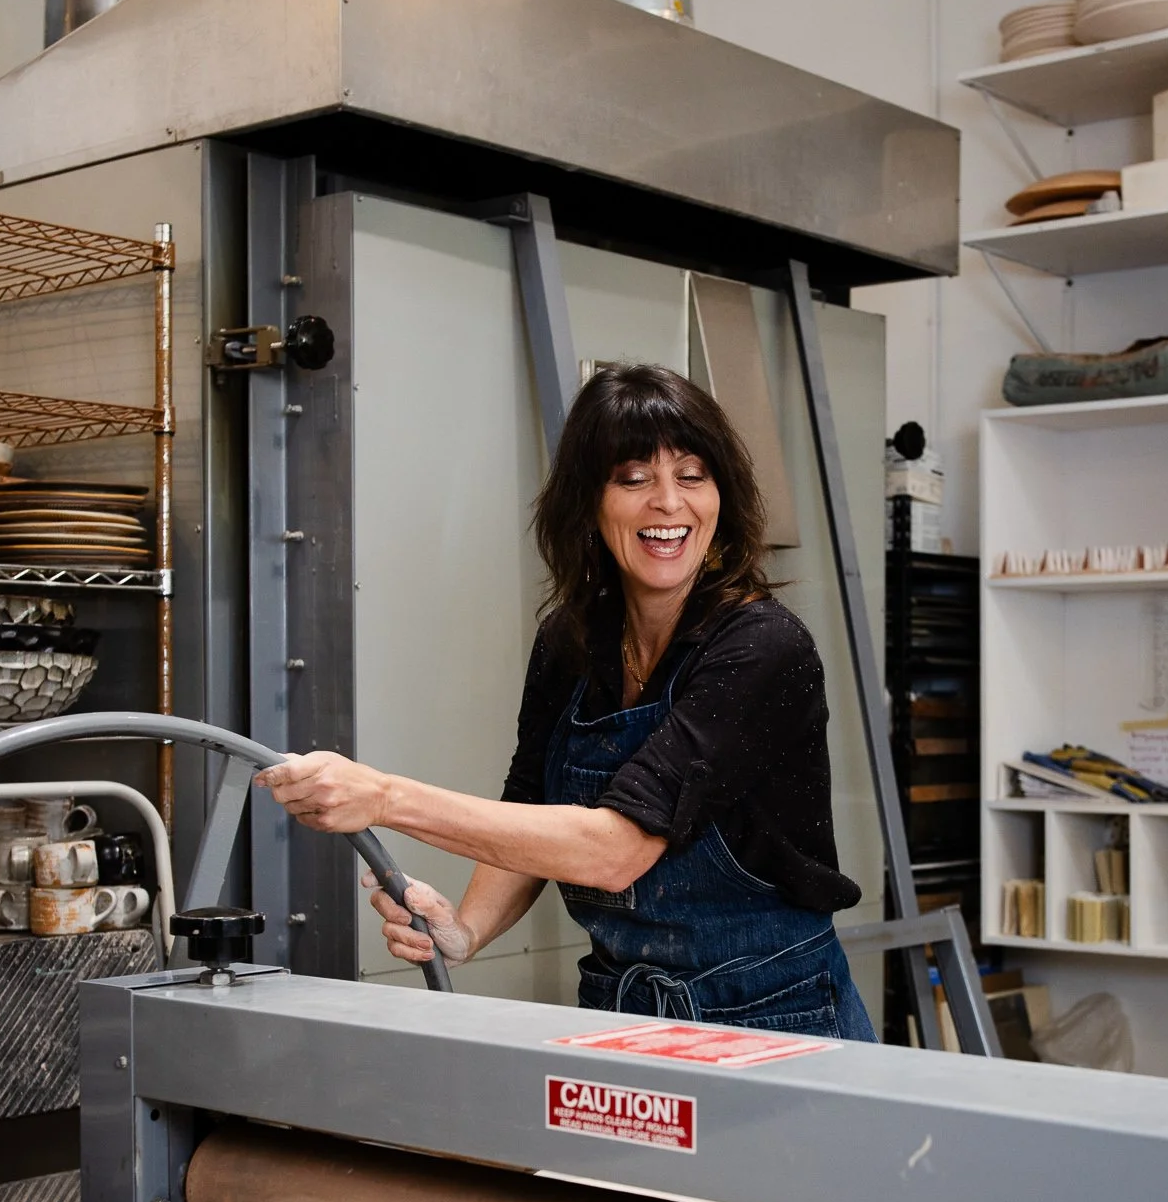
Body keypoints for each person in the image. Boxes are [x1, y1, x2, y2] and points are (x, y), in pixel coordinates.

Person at [258, 363, 876, 1042]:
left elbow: (614, 852)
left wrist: (382, 798)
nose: (668, 503)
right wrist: (465, 931)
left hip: (773, 1018)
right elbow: (530, 807)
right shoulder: (572, 639)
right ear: (590, 502)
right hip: (624, 1014)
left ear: (721, 497)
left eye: (692, 476)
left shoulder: (762, 647)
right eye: (633, 479)